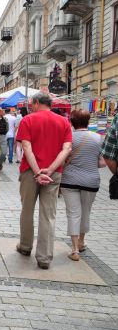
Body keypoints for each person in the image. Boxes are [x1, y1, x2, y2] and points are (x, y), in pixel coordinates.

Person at [15, 92, 72, 269]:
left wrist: (38, 171)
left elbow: (26, 147)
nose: (31, 107)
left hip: (30, 172)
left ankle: (25, 246)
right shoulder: (63, 121)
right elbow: (67, 149)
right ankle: (45, 257)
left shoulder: (28, 120)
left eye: (32, 104)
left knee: (27, 210)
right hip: (53, 174)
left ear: (37, 103)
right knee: (48, 215)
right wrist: (51, 168)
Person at [60, 110, 106, 261]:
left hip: (69, 180)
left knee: (73, 213)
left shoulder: (69, 138)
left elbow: (62, 158)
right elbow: (102, 163)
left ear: (72, 122)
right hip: (91, 181)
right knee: (86, 212)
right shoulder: (98, 138)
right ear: (88, 121)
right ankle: (81, 241)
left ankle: (74, 249)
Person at [0, 107, 9, 171]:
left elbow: (7, 128)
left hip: (3, 137)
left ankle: (0, 163)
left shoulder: (5, 119)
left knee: (4, 153)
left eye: (0, 110)